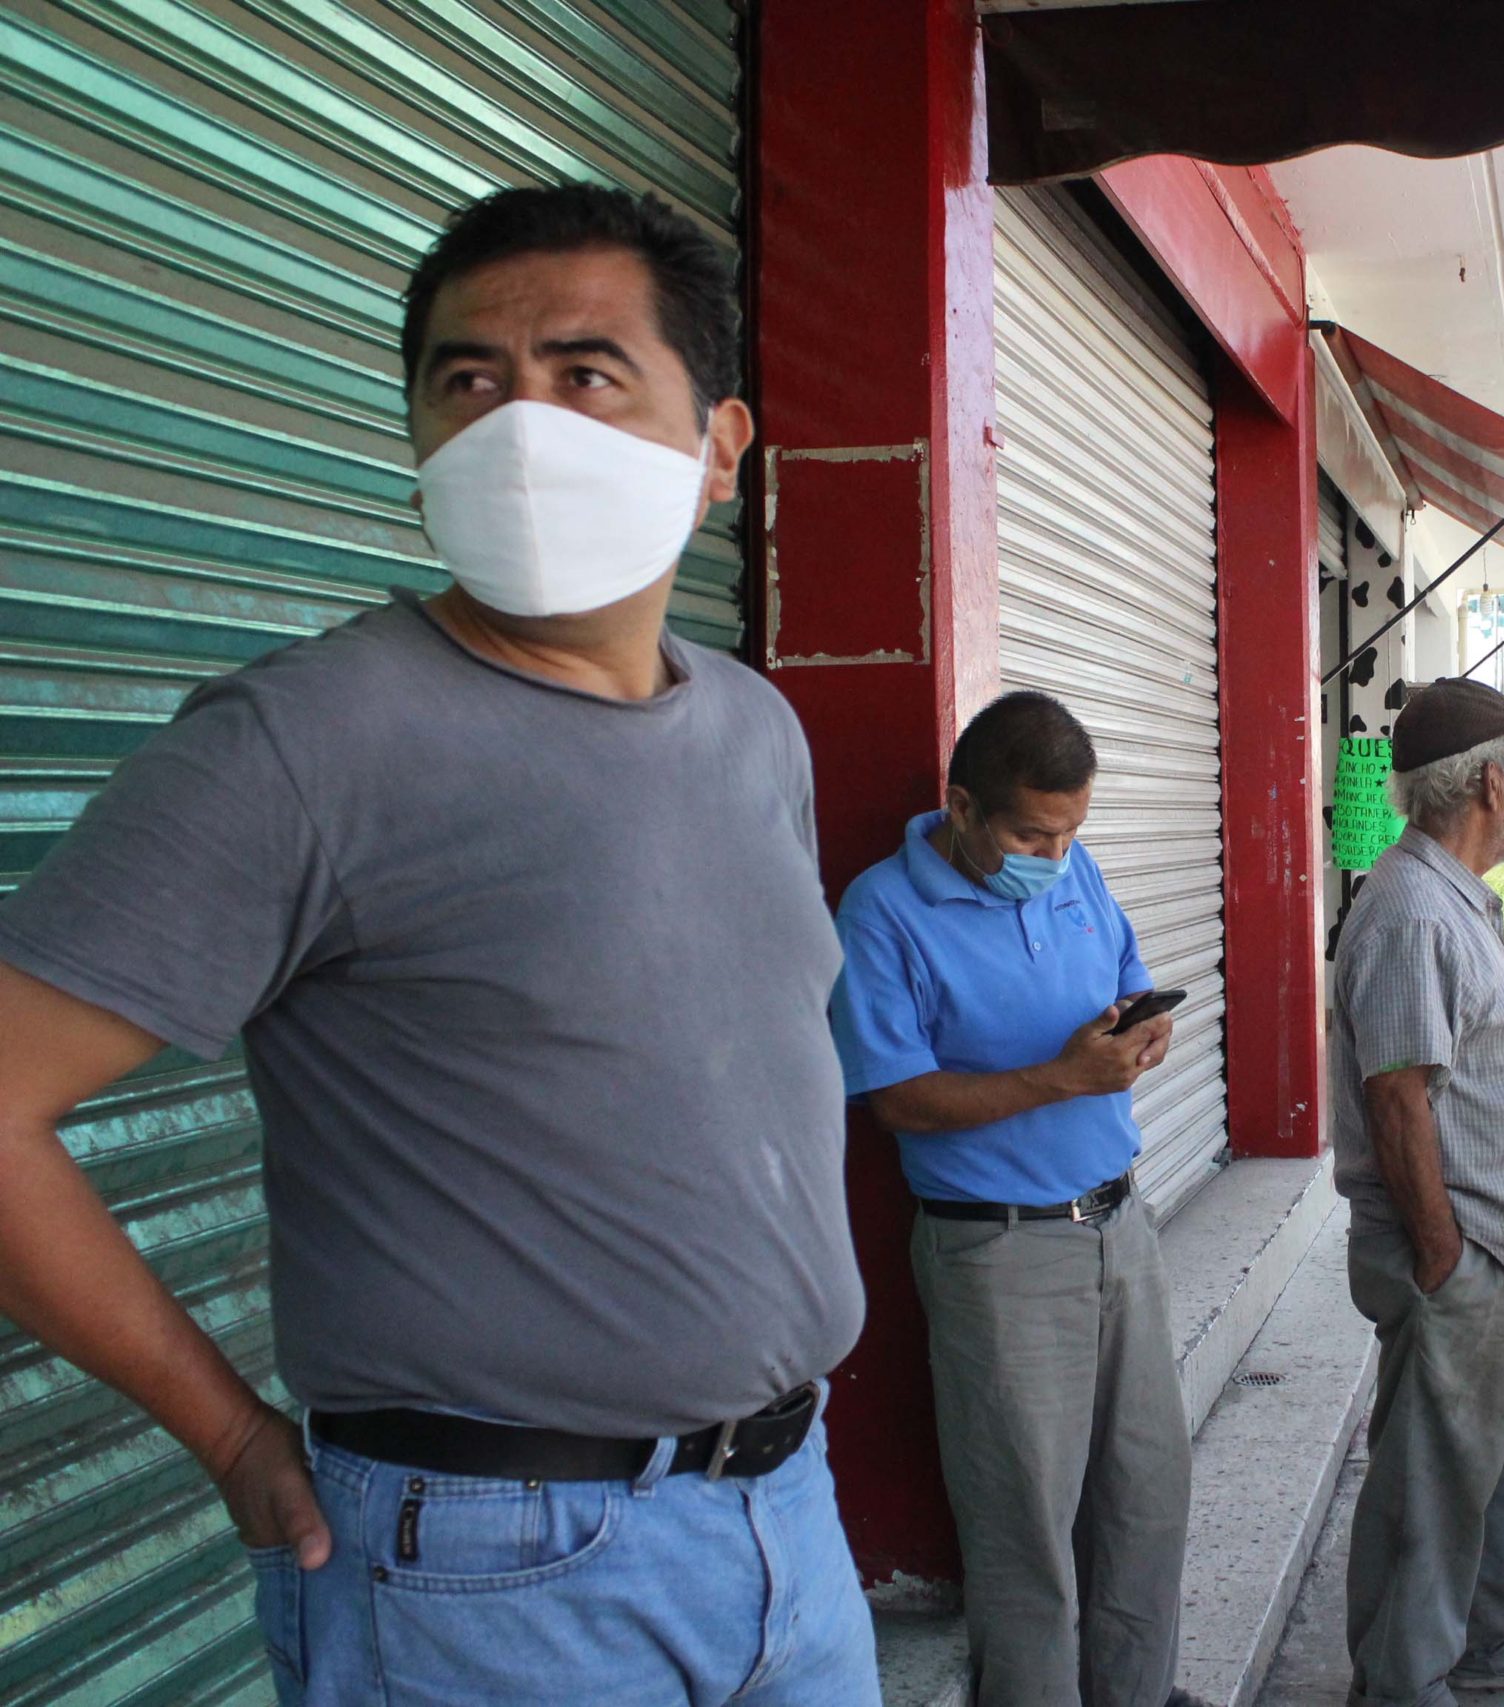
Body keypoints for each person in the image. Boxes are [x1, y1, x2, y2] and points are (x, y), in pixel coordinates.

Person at [0, 185, 879, 1701]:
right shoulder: (310, 741)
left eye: (586, 372)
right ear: (417, 440)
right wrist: (226, 1430)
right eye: (468, 382)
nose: (518, 426)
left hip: (788, 1519)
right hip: (491, 1579)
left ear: (720, 446)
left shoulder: (752, 724)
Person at [829, 690, 1198, 1707]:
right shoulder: (882, 913)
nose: (1055, 851)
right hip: (999, 1253)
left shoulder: (1074, 866)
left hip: (1118, 1229)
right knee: (1024, 1530)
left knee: (1144, 1497)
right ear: (960, 806)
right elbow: (898, 1100)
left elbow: (1127, 972)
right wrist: (1062, 1078)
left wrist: (1141, 1031)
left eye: (1072, 830)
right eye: (1033, 832)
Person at [1328, 678, 1504, 1704]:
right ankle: (1401, 1682)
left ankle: (1489, 1638)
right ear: (1489, 778)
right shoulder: (1409, 912)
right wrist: (1442, 1252)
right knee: (1430, 1488)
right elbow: (1399, 1100)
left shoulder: (1449, 897)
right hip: (1464, 1255)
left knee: (1494, 1466)